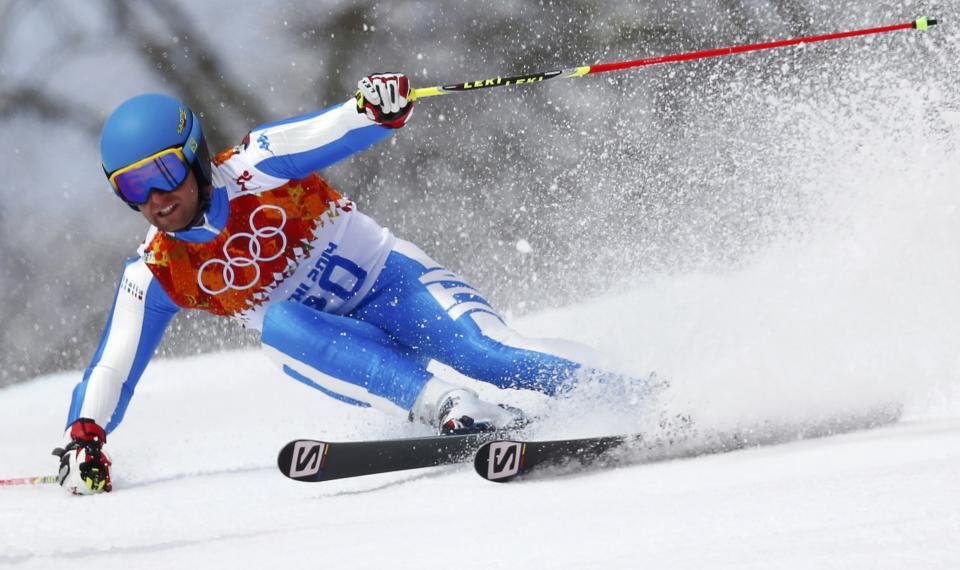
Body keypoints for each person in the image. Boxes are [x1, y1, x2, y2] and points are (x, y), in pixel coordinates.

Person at [54, 73, 606, 495]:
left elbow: (340, 127)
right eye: (132, 187)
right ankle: (450, 408)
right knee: (277, 327)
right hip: (340, 345)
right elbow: (112, 366)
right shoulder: (155, 270)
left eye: (163, 174)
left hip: (394, 286)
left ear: (195, 158)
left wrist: (375, 106)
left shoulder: (256, 167)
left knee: (494, 356)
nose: (155, 199)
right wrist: (85, 438)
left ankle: (641, 396)